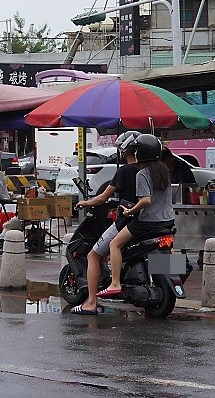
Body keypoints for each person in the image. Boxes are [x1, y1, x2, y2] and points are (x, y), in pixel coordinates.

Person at [69, 132, 141, 315]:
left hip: (129, 221)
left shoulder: (125, 171)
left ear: (124, 151)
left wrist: (85, 202)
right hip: (153, 221)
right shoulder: (151, 170)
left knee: (94, 255)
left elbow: (102, 198)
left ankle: (91, 302)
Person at [99, 134, 173, 302]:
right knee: (167, 248)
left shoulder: (142, 174)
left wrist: (131, 211)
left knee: (114, 244)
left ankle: (115, 283)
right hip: (167, 221)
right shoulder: (165, 172)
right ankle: (171, 272)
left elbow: (146, 200)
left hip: (147, 222)